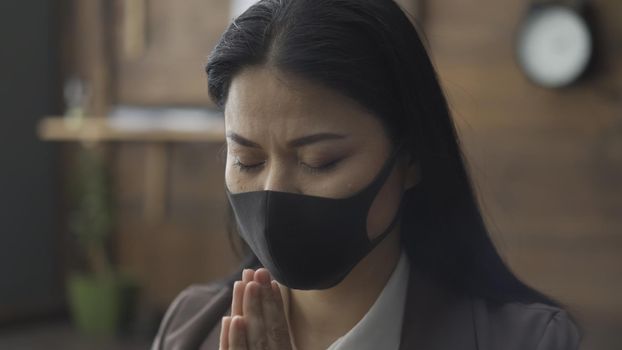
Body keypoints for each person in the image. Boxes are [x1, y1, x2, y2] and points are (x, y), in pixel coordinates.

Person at [151, 0, 582, 349]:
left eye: (321, 161)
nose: (273, 192)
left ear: (410, 157)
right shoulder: (190, 327)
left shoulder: (529, 340)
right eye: (248, 161)